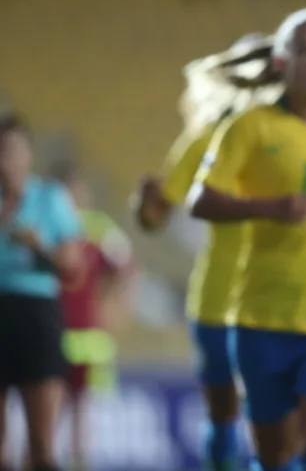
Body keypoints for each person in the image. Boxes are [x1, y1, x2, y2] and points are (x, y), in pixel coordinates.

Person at [191, 9, 306, 471]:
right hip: (260, 317)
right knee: (275, 460)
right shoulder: (249, 128)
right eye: (304, 51)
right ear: (281, 62)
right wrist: (267, 207)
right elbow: (201, 199)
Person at [134, 33, 281, 471]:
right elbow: (154, 216)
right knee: (226, 417)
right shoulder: (209, 139)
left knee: (271, 423)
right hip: (221, 302)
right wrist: (144, 204)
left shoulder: (305, 134)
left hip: (279, 301)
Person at [0, 113, 81, 471]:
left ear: (28, 154)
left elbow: (73, 267)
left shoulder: (50, 198)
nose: (7, 158)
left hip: (35, 317)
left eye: (14, 149)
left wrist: (39, 246)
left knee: (43, 446)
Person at [51, 162, 134, 471]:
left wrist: (115, 304)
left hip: (87, 335)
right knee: (51, 406)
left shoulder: (97, 228)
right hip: (52, 331)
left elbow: (126, 264)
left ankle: (77, 462)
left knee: (81, 410)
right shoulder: (47, 225)